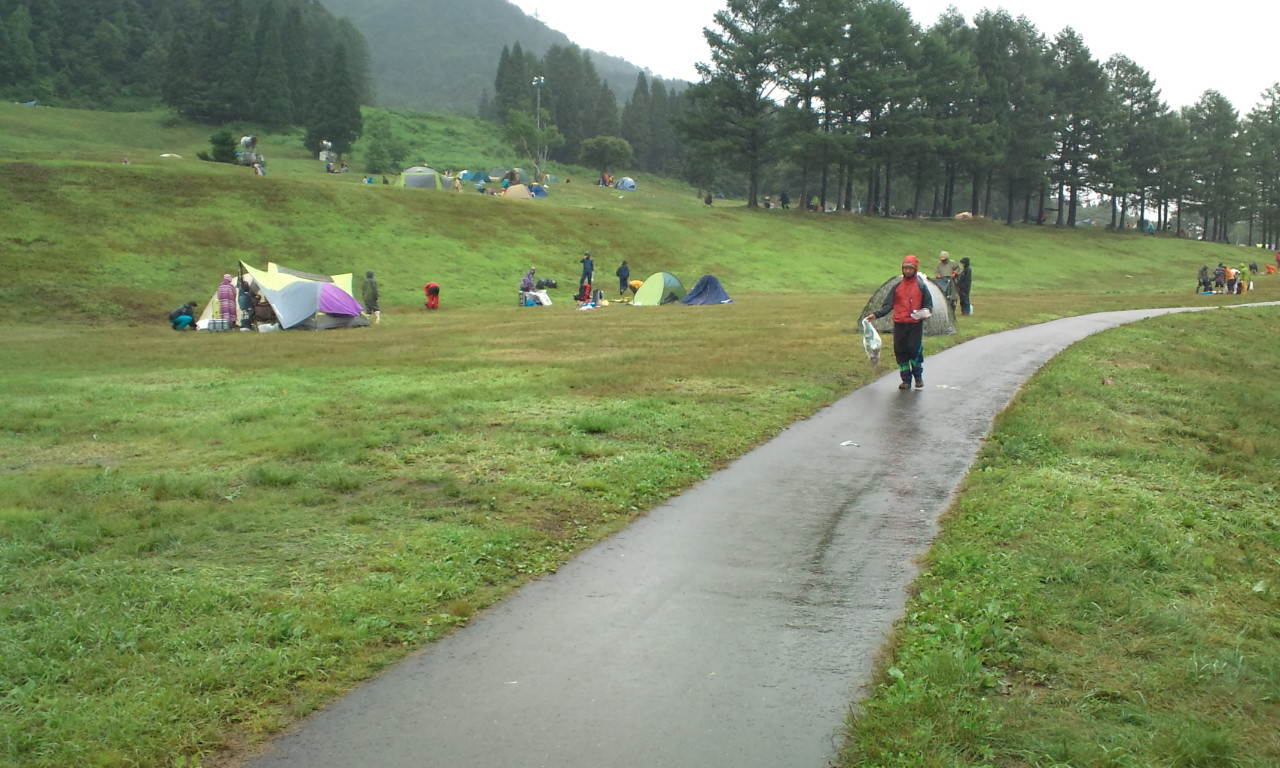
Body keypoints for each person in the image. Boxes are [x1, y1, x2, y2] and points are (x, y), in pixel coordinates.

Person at [864, 254, 934, 390]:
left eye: (910, 268)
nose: (907, 271)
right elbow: (887, 305)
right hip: (899, 324)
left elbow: (928, 306)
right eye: (905, 268)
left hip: (915, 325)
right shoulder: (897, 287)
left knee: (914, 351)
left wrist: (923, 314)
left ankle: (918, 377)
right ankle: (906, 380)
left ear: (915, 269)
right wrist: (875, 315)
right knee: (900, 351)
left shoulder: (921, 286)